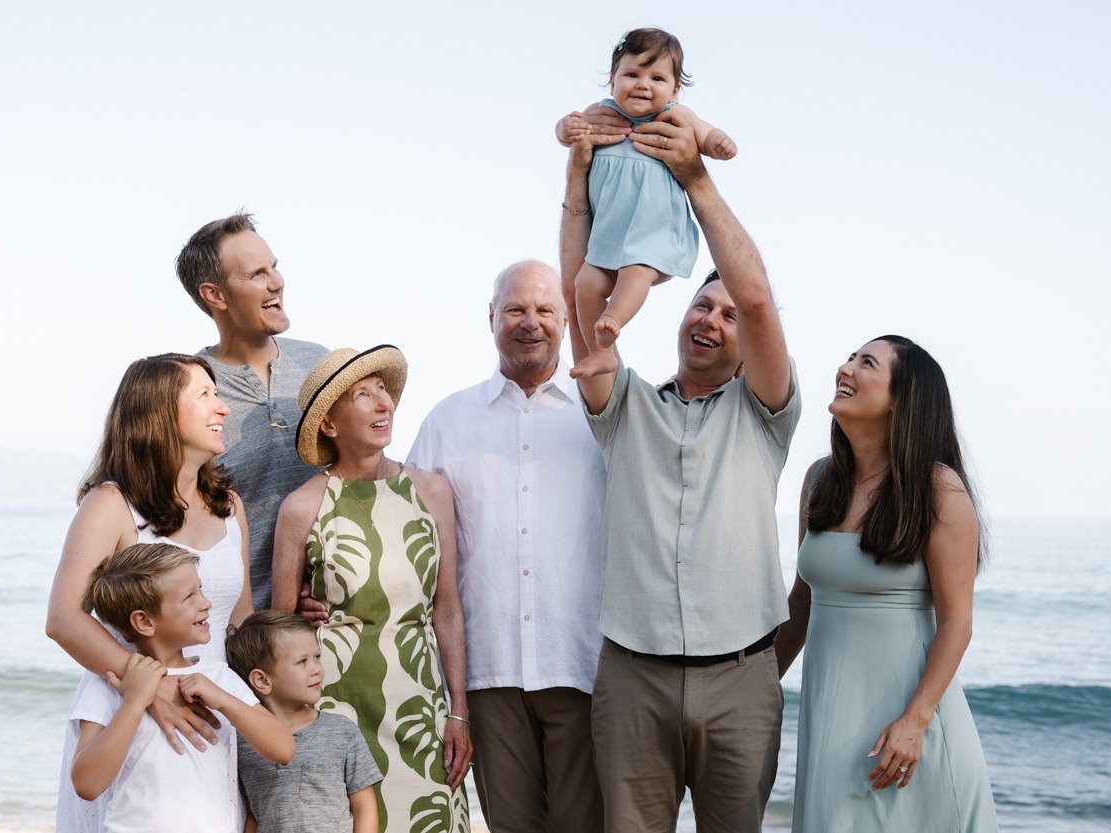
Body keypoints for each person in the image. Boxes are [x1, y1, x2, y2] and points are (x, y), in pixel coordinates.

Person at [559, 103, 800, 833]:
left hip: (742, 677)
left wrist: (695, 179)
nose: (713, 319)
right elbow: (582, 285)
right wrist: (578, 180)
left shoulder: (766, 411)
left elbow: (755, 295)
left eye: (728, 316)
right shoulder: (625, 402)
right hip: (632, 675)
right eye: (703, 303)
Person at [406, 261, 606, 833]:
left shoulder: (601, 416)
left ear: (566, 321)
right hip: (487, 672)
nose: (530, 322)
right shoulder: (446, 420)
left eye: (545, 310)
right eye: (516, 309)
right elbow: (408, 535)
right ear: (491, 317)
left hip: (582, 662)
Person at [774, 336, 999, 832]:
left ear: (902, 398)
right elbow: (802, 600)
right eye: (850, 357)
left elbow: (957, 623)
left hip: (905, 727)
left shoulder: (938, 489)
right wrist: (756, 686)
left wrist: (914, 721)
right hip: (830, 718)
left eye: (865, 362)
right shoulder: (819, 480)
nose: (845, 368)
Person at [47, 353, 257, 832]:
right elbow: (64, 618)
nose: (222, 408)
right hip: (132, 712)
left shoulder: (229, 505)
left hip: (215, 711)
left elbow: (239, 622)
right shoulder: (112, 503)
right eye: (204, 395)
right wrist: (152, 688)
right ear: (158, 413)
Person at [269, 345, 472, 833]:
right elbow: (277, 633)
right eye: (363, 394)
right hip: (333, 710)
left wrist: (459, 712)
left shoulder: (432, 492)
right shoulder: (301, 507)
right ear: (330, 425)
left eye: (383, 390)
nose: (383, 404)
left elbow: (447, 611)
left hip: (420, 708)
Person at [69, 543, 294, 832]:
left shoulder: (218, 677)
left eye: (200, 589)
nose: (206, 603)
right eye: (190, 596)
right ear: (144, 621)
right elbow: (87, 784)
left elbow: (283, 748)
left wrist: (223, 699)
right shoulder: (108, 684)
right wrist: (135, 702)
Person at [555, 27, 738, 379]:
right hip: (609, 233)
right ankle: (601, 353)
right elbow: (566, 130)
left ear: (674, 90)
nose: (642, 83)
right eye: (632, 74)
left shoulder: (674, 117)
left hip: (652, 232)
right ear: (612, 82)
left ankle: (614, 320)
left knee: (634, 273)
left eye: (656, 77)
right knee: (584, 285)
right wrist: (566, 129)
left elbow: (704, 133)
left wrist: (717, 142)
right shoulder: (600, 113)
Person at [176, 212, 329, 610]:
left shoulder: (321, 365)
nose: (277, 282)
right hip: (235, 627)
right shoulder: (187, 388)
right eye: (257, 274)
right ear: (216, 295)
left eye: (274, 267)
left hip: (330, 620)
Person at [227, 611, 382, 833]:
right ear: (262, 680)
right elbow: (253, 812)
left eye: (317, 657)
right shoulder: (244, 742)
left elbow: (364, 806)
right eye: (302, 661)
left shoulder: (341, 731)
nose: (316, 669)